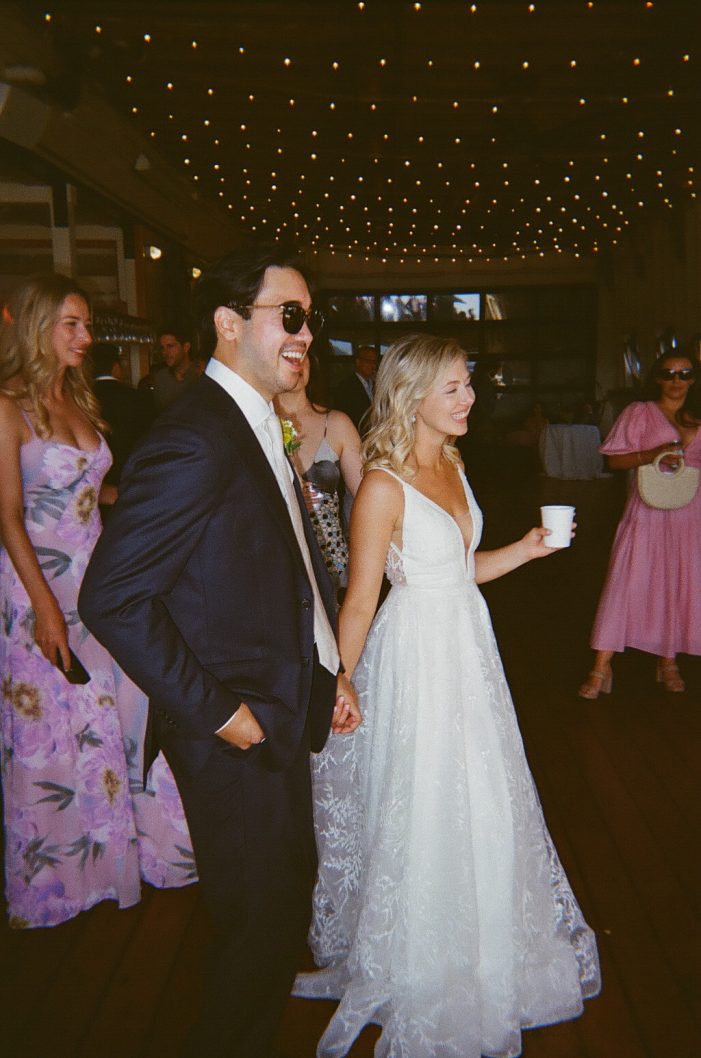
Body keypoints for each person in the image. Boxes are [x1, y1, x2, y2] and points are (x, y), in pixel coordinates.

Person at [77, 244, 361, 1058]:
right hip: (236, 729)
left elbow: (282, 570)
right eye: (290, 316)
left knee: (274, 914)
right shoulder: (198, 435)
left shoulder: (252, 420)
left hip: (277, 703)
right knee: (260, 927)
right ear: (228, 324)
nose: (306, 333)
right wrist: (220, 714)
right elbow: (112, 596)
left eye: (312, 318)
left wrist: (323, 673)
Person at [294, 334, 600, 1058]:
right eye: (455, 387)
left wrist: (525, 548)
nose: (469, 398)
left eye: (468, 385)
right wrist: (342, 677)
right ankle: (419, 961)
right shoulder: (380, 485)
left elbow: (460, 571)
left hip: (468, 652)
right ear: (412, 395)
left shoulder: (454, 464)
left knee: (486, 794)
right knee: (424, 798)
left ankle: (486, 947)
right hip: (415, 662)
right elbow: (362, 600)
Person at [0, 275, 193, 930]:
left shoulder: (75, 399)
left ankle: (121, 857)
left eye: (86, 325)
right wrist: (45, 607)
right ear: (36, 326)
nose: (86, 337)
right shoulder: (9, 407)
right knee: (51, 730)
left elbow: (90, 498)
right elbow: (8, 517)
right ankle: (57, 882)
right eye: (72, 325)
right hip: (36, 588)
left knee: (116, 710)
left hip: (100, 584)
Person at [578, 350, 700, 698]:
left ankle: (668, 660)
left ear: (694, 379)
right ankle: (601, 667)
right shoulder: (640, 413)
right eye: (669, 373)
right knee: (627, 581)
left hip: (691, 514)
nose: (677, 381)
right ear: (657, 378)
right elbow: (614, 463)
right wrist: (652, 453)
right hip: (647, 509)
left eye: (685, 373)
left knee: (678, 582)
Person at [274, 353, 362, 592]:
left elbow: (366, 497)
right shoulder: (258, 424)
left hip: (331, 562)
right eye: (288, 355)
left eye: (303, 355)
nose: (298, 363)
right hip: (279, 562)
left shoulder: (336, 423)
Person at [90, 340, 153, 492]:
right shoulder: (138, 398)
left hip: (95, 482)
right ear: (116, 366)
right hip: (132, 478)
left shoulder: (83, 399)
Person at [332, 345, 378, 436]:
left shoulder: (375, 384)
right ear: (358, 362)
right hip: (356, 434)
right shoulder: (346, 386)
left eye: (374, 362)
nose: (372, 365)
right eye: (368, 361)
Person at [152, 327, 198, 410]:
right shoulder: (160, 377)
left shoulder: (200, 374)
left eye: (170, 346)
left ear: (186, 347)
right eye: (162, 347)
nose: (165, 352)